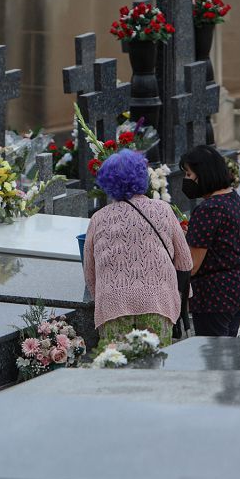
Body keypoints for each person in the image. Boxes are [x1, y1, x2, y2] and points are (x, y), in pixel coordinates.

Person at [83, 148, 193, 346]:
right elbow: (185, 262)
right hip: (157, 301)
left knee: (119, 368)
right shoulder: (162, 210)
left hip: (112, 305)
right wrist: (178, 297)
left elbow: (90, 274)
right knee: (156, 366)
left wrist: (106, 296)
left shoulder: (97, 219)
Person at [181, 145, 240, 337]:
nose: (186, 180)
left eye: (189, 175)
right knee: (226, 355)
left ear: (203, 175)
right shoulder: (232, 198)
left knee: (214, 359)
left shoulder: (209, 209)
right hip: (239, 286)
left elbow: (193, 264)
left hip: (215, 296)